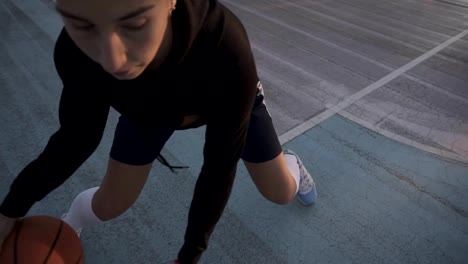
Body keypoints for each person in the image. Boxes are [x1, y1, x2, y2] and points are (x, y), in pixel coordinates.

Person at [0, 0, 317, 263]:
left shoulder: (225, 47)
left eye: (134, 24)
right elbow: (75, 140)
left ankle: (292, 164)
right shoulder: (76, 54)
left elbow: (218, 168)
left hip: (219, 100)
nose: (112, 61)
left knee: (280, 192)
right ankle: (72, 222)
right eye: (82, 25)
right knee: (110, 204)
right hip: (147, 110)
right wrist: (9, 211)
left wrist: (188, 256)